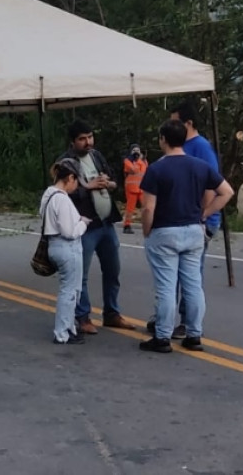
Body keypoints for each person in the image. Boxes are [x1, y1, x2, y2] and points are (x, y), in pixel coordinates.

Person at [140, 119, 233, 353]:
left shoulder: (156, 169)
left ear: (163, 139)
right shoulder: (199, 166)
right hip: (193, 230)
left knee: (166, 287)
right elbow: (226, 192)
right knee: (193, 285)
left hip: (165, 231)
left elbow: (148, 208)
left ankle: (162, 336)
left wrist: (147, 231)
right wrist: (205, 214)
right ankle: (194, 334)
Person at [58, 120, 135, 334]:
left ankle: (112, 313)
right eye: (82, 139)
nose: (88, 142)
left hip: (105, 222)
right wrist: (87, 186)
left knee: (113, 270)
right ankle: (83, 317)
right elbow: (61, 192)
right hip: (84, 226)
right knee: (80, 274)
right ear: (73, 141)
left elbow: (112, 178)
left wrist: (108, 183)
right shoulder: (66, 163)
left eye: (90, 137)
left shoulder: (96, 155)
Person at [39, 159, 90, 345]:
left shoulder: (48, 195)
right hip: (67, 247)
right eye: (76, 182)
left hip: (54, 245)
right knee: (70, 291)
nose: (76, 187)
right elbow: (70, 232)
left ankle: (69, 328)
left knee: (69, 289)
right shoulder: (61, 198)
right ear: (70, 178)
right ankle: (63, 332)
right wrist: (83, 223)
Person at [122, 144, 148, 234]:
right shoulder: (128, 161)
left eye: (138, 150)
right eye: (134, 150)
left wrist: (140, 160)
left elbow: (146, 172)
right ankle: (127, 225)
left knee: (146, 207)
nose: (136, 152)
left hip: (142, 188)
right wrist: (136, 160)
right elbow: (133, 170)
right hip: (131, 188)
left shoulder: (144, 161)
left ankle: (149, 224)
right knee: (130, 208)